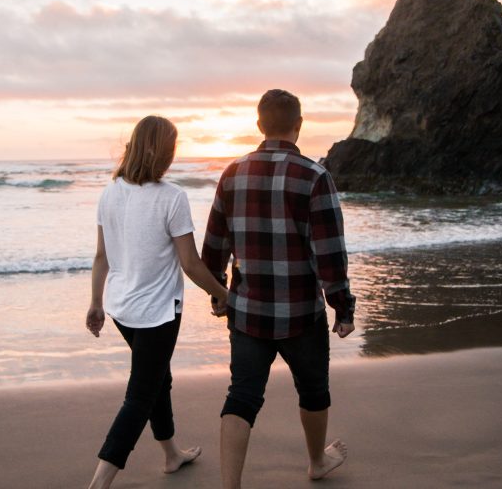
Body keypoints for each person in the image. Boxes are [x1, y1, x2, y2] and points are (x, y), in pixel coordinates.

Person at [201, 89, 356, 488]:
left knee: (242, 395)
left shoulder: (232, 173)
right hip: (301, 313)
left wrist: (218, 291)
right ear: (299, 125)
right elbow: (330, 253)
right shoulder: (315, 176)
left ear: (259, 125)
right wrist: (343, 307)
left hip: (248, 311)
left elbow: (214, 244)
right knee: (313, 390)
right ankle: (317, 462)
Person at [86, 115, 228, 489]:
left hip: (122, 309)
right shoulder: (172, 197)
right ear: (166, 153)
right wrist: (223, 294)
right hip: (158, 314)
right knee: (140, 395)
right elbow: (191, 263)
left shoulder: (110, 191)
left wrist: (96, 302)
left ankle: (171, 455)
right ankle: (99, 483)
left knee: (156, 379)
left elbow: (101, 256)